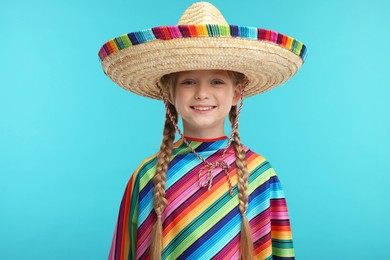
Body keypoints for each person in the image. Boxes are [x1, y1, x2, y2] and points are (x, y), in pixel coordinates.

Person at [98, 2, 307, 260]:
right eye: (188, 81)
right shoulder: (146, 177)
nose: (202, 93)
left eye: (216, 81)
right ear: (169, 94)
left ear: (236, 94)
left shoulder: (261, 175)